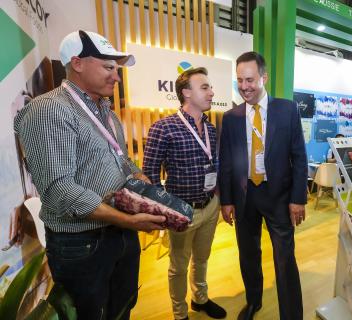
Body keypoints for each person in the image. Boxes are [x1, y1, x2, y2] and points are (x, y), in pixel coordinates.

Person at [13, 30, 166, 320]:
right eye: (109, 67)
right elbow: (61, 191)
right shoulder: (48, 110)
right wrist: (129, 220)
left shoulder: (106, 111)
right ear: (77, 63)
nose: (117, 77)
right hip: (82, 244)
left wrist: (136, 175)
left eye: (117, 70)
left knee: (122, 308)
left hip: (120, 234)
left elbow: (118, 159)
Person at [219, 51, 307, 320]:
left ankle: (291, 315)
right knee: (248, 254)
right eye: (239, 81)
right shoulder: (231, 117)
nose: (244, 87)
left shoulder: (287, 109)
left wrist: (298, 198)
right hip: (245, 195)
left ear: (263, 77)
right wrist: (226, 200)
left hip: (278, 196)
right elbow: (226, 162)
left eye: (250, 80)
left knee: (284, 258)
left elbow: (299, 156)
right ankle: (253, 301)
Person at [143, 67, 226, 320]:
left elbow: (215, 166)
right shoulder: (163, 128)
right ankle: (179, 314)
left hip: (210, 206)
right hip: (181, 210)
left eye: (210, 87)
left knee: (202, 259)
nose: (212, 92)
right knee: (178, 267)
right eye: (205, 87)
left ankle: (200, 299)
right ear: (186, 92)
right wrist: (163, 212)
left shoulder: (211, 129)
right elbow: (150, 175)